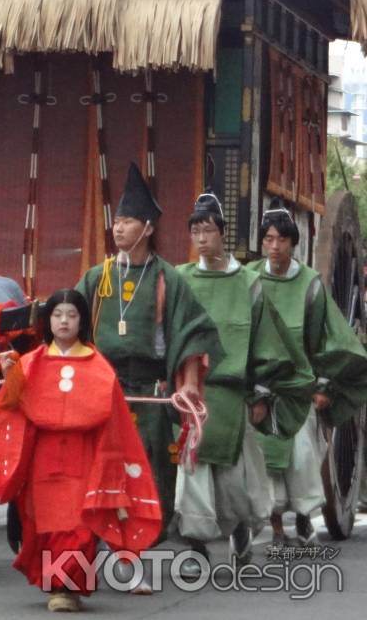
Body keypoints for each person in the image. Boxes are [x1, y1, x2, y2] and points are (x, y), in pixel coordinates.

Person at [0, 290, 161, 613]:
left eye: (72, 315)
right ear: (47, 321)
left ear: (82, 321)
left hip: (85, 454)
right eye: (58, 314)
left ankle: (68, 588)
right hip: (43, 456)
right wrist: (11, 377)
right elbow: (12, 408)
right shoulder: (30, 363)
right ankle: (58, 585)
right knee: (45, 524)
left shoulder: (99, 367)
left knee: (78, 525)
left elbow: (115, 422)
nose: (64, 321)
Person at [75, 163, 222, 537]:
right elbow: (68, 321)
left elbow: (193, 333)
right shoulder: (97, 276)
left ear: (149, 228)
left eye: (127, 221)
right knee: (101, 464)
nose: (118, 227)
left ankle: (145, 538)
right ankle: (105, 533)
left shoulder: (167, 278)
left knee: (152, 468)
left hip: (152, 391)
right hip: (105, 390)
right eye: (117, 221)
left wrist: (188, 384)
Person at [174, 192, 314, 574]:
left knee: (235, 481)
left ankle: (239, 528)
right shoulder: (180, 280)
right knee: (193, 475)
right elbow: (168, 335)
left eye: (208, 230)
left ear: (223, 234)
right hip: (191, 393)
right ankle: (196, 542)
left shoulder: (250, 284)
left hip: (234, 395)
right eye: (195, 231)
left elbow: (267, 342)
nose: (202, 238)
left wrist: (262, 394)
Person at [250, 199, 367, 545]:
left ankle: (302, 517)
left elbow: (328, 338)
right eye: (268, 240)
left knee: (302, 457)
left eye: (281, 240)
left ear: (293, 242)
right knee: (266, 458)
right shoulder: (249, 280)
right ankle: (274, 527)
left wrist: (324, 385)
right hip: (262, 386)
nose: (274, 247)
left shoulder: (310, 284)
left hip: (300, 386)